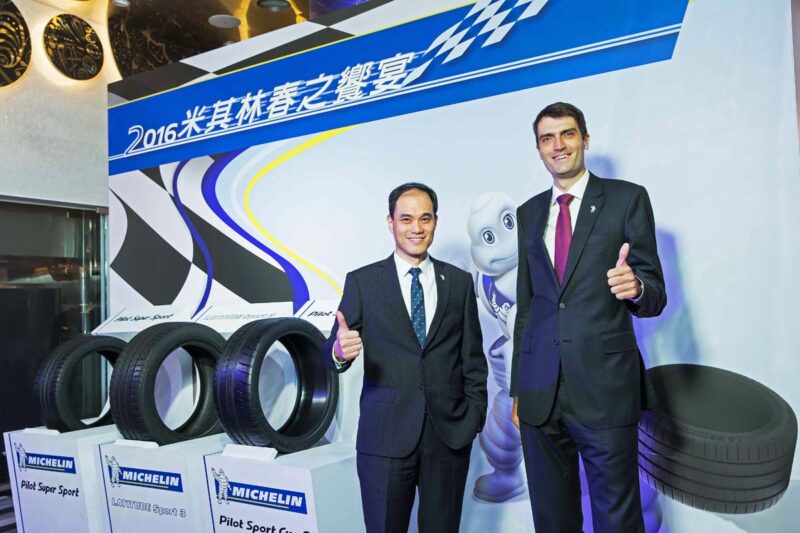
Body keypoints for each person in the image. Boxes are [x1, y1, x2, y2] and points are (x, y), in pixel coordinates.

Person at [510, 102, 666, 533]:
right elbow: (528, 307)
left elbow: (655, 293)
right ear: (538, 149)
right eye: (547, 138)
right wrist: (520, 388)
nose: (558, 145)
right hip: (540, 393)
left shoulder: (626, 199)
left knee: (617, 518)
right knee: (552, 520)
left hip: (605, 388)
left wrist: (636, 287)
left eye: (567, 134)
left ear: (585, 139)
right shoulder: (528, 214)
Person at [323, 182, 488, 533]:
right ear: (390, 222)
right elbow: (331, 349)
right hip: (385, 439)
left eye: (425, 218)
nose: (417, 228)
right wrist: (338, 351)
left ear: (435, 222)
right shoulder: (363, 282)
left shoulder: (458, 282)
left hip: (448, 439)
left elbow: (473, 360)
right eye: (406, 219)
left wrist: (473, 417)